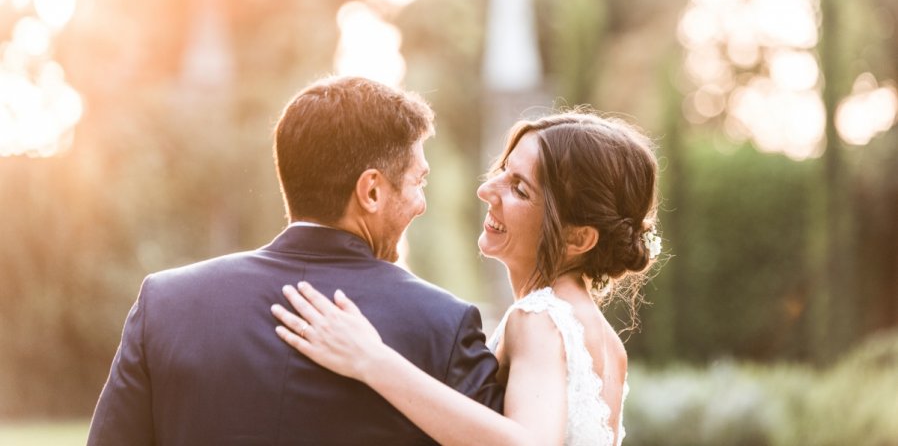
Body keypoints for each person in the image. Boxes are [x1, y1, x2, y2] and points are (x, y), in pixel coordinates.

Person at [87, 76, 504, 445]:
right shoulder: (445, 326)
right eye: (418, 181)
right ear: (371, 191)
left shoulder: (166, 303)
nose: (421, 203)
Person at [271, 111, 662, 446]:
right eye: (503, 172)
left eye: (519, 189)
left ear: (578, 238)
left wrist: (370, 359)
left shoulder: (539, 319)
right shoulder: (608, 344)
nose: (486, 190)